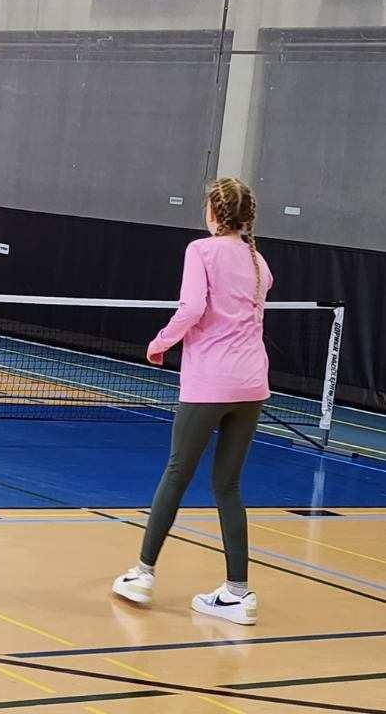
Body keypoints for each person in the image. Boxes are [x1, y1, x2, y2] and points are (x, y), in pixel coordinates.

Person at [112, 178, 272, 627]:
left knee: (176, 472)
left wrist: (160, 342)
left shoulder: (200, 251)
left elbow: (192, 308)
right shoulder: (259, 262)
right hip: (251, 385)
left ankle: (142, 574)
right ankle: (237, 593)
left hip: (210, 383)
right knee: (228, 486)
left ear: (214, 213)